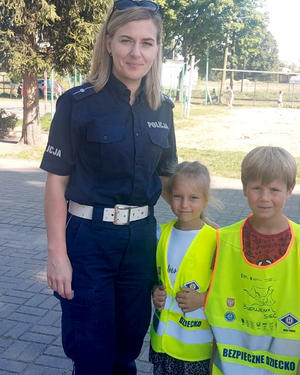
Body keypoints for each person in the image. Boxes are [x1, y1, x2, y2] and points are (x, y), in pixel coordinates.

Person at [40, 1, 177, 374]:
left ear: (158, 48)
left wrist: (201, 219)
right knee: (91, 351)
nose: (136, 52)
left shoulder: (163, 108)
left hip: (140, 243)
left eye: (147, 43)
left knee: (127, 348)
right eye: (126, 40)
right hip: (89, 243)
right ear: (108, 43)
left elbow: (166, 178)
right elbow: (56, 183)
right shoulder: (76, 103)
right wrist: (57, 254)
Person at [204, 146, 300, 374]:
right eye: (257, 187)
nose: (265, 197)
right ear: (244, 188)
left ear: (290, 190)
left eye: (274, 189)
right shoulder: (223, 240)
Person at [149, 161, 217, 375]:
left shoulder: (216, 240)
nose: (184, 204)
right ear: (169, 196)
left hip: (195, 350)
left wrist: (204, 298)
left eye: (193, 198)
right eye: (178, 196)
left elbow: (228, 289)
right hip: (162, 343)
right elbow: (154, 275)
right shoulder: (160, 234)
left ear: (205, 200)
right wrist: (154, 291)